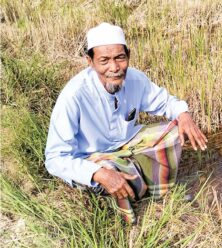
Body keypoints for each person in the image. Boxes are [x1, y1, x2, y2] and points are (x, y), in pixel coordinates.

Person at [45, 23, 207, 223]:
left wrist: (184, 115)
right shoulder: (74, 95)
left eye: (120, 58)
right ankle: (128, 217)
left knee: (174, 131)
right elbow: (54, 158)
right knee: (110, 172)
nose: (114, 68)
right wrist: (97, 173)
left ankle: (157, 190)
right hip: (92, 157)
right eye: (104, 60)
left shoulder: (136, 79)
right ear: (90, 61)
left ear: (128, 56)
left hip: (126, 144)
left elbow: (166, 103)